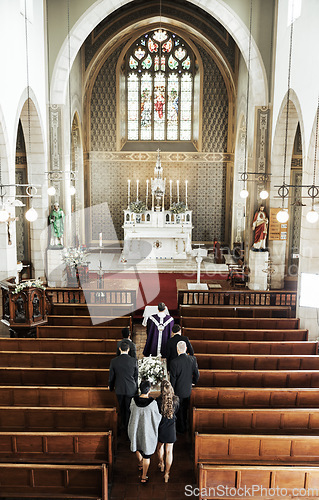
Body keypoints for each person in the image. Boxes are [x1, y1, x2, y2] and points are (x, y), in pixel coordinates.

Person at [128, 380, 162, 484]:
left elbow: (131, 411)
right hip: (147, 432)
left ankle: (140, 463)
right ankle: (144, 476)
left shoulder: (133, 401)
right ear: (149, 390)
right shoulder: (153, 403)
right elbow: (157, 417)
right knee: (147, 454)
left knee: (137, 447)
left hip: (136, 429)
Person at [170, 340, 200, 434]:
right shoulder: (192, 359)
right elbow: (197, 374)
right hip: (188, 389)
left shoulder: (174, 362)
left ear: (177, 350)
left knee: (178, 410)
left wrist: (172, 391)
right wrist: (193, 382)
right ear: (186, 349)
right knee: (185, 409)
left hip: (178, 390)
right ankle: (185, 426)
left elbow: (173, 379)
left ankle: (180, 428)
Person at [108, 340, 138, 430]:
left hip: (119, 388)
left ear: (120, 349)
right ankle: (128, 427)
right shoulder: (133, 361)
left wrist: (110, 387)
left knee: (121, 408)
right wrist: (136, 387)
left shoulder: (114, 361)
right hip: (130, 389)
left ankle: (122, 426)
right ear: (128, 350)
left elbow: (111, 376)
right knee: (129, 409)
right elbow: (136, 376)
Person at [156, 380, 179, 483]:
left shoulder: (158, 400)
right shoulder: (176, 400)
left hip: (161, 427)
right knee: (169, 451)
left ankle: (161, 464)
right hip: (171, 428)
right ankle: (167, 473)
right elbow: (177, 410)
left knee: (160, 447)